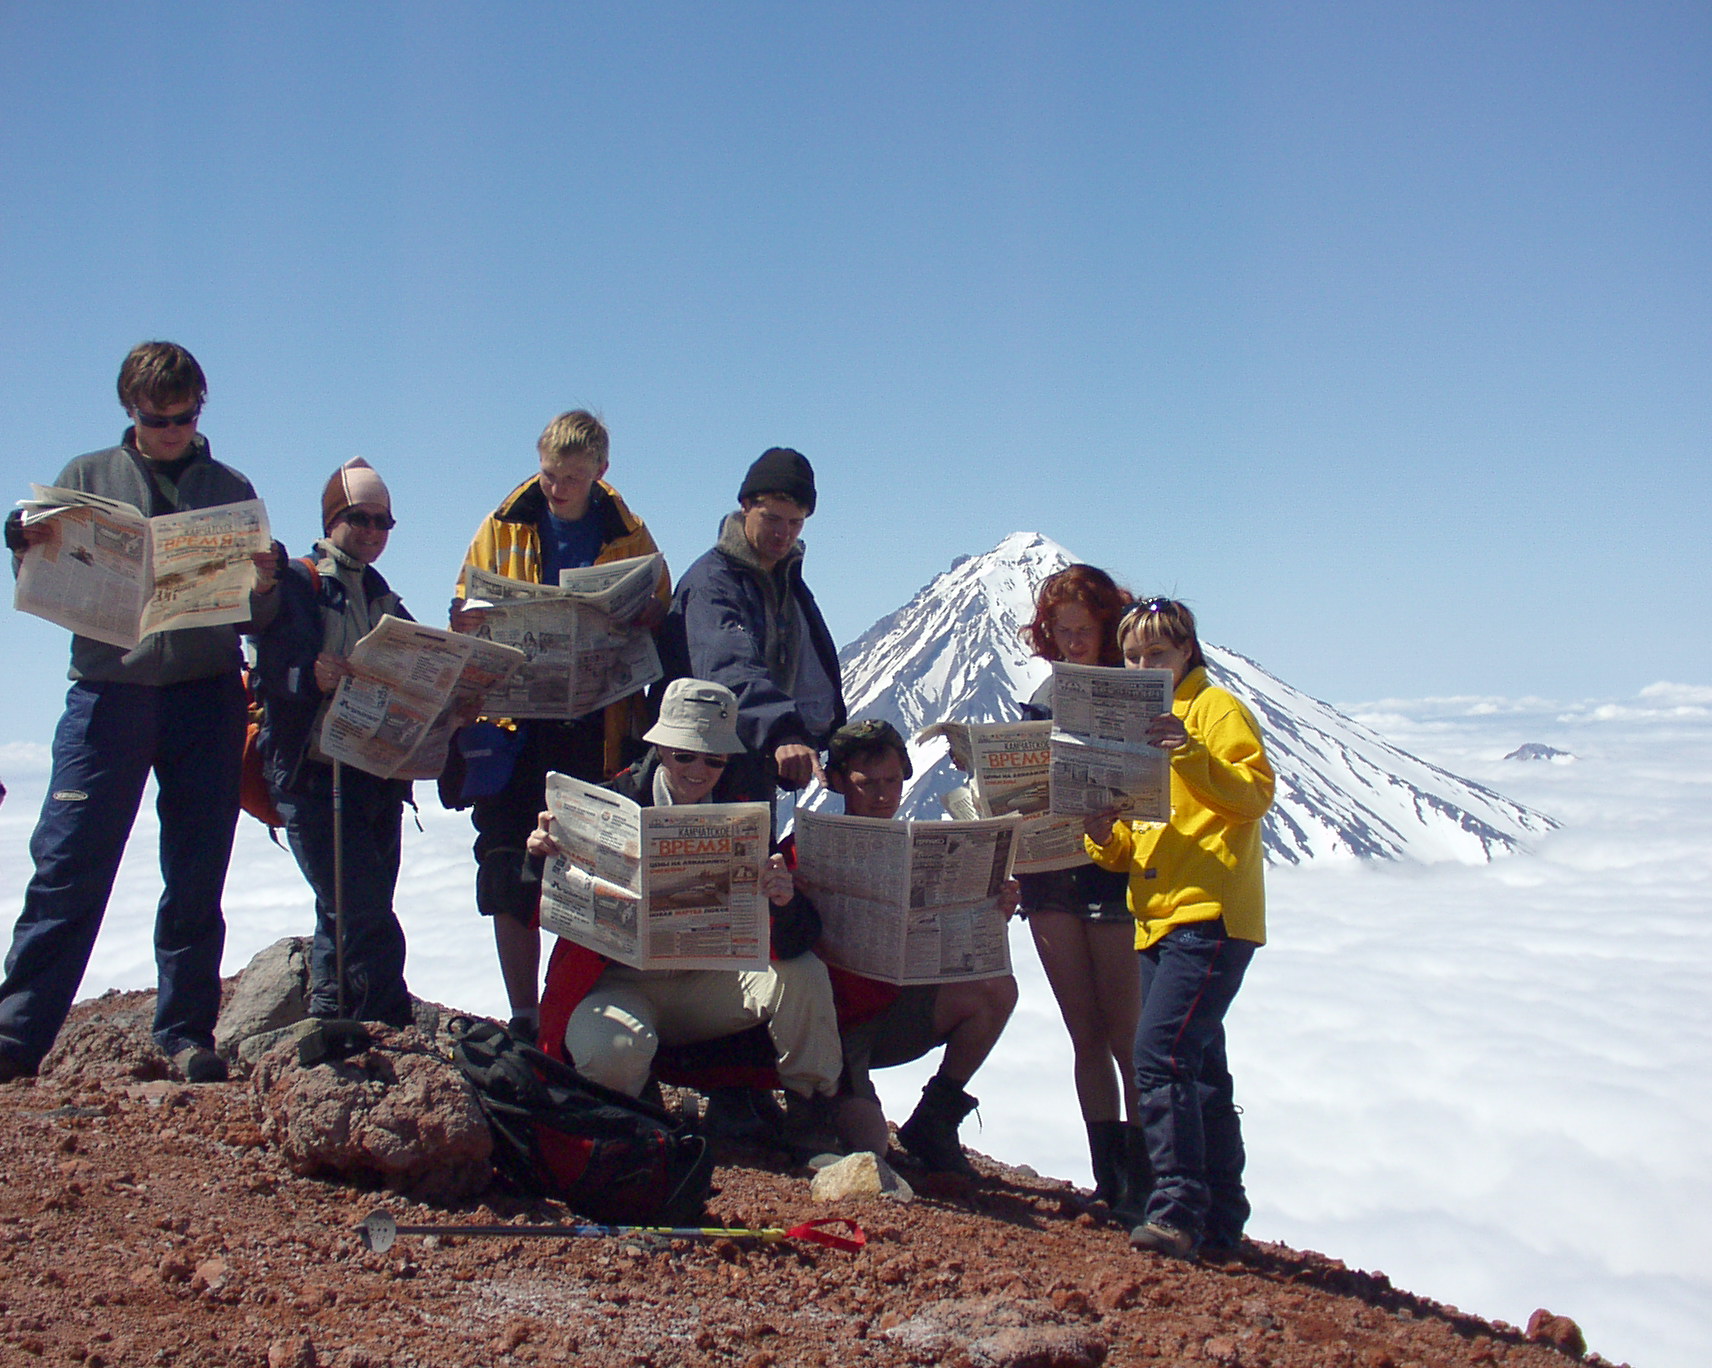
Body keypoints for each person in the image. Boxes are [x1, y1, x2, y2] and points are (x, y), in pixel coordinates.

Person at [0, 342, 279, 1083]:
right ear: (131, 410)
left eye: (186, 417)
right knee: (68, 864)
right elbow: (43, 583)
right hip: (107, 694)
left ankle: (185, 1035)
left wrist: (266, 581)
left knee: (196, 871)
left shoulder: (230, 486)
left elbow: (259, 614)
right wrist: (22, 543)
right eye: (159, 419)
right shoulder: (84, 479)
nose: (173, 431)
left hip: (204, 695)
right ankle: (16, 1034)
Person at [529, 679, 842, 1156]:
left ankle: (812, 1116)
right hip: (620, 985)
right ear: (660, 746)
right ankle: (628, 1120)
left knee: (804, 975)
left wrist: (783, 901)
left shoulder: (743, 816)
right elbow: (528, 901)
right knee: (610, 1053)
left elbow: (797, 939)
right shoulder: (603, 802)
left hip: (707, 985)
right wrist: (539, 858)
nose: (699, 770)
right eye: (685, 755)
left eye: (714, 758)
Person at [450, 411, 669, 1042]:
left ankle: (570, 1007)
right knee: (506, 863)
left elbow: (660, 605)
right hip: (515, 725)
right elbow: (464, 599)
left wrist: (640, 617)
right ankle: (524, 1012)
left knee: (589, 867)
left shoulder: (629, 534)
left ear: (601, 472)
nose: (557, 488)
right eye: (549, 474)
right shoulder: (503, 524)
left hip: (597, 725)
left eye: (572, 478)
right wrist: (469, 620)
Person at [1084, 597, 1274, 1261]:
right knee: (1199, 1072)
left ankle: (1176, 1209)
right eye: (1133, 657)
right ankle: (1222, 1219)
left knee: (1158, 1056)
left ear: (1187, 651)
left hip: (1210, 915)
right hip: (1157, 919)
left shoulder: (1215, 711)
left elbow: (1253, 795)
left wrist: (1186, 752)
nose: (1145, 666)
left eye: (1157, 655)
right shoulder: (1131, 725)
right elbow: (1135, 844)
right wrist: (1103, 835)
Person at [249, 459, 415, 1027]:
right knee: (363, 909)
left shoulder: (381, 594)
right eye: (359, 518)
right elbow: (265, 668)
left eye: (383, 522)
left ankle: (328, 1017)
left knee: (341, 908)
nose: (372, 532)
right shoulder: (299, 583)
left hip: (372, 776)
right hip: (313, 775)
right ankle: (384, 1021)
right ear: (331, 519)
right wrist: (306, 675)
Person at [814, 719, 1019, 1175]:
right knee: (870, 1145)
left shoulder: (918, 847)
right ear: (841, 782)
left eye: (892, 782)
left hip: (892, 1013)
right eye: (868, 784)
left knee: (997, 990)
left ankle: (936, 1118)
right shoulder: (808, 849)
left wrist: (989, 909)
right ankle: (816, 1104)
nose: (883, 795)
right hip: (832, 1026)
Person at [1016, 565, 1148, 1212]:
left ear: (1106, 625)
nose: (1072, 643)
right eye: (1060, 632)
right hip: (1050, 873)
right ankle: (1112, 1180)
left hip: (1113, 869)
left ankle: (1149, 1181)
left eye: (1082, 630)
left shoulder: (1137, 693)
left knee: (1128, 1035)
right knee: (1085, 1036)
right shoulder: (1043, 694)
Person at [660, 448, 844, 806]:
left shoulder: (786, 583)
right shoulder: (712, 584)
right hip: (702, 772)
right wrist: (782, 730)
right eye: (772, 519)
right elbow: (728, 667)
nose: (783, 533)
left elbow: (810, 673)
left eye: (795, 523)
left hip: (750, 764)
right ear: (745, 506)